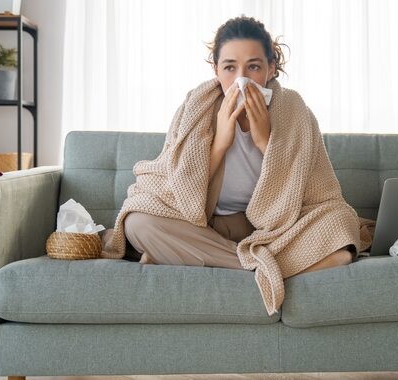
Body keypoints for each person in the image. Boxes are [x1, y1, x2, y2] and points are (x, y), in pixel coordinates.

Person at [102, 16, 365, 315]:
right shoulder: (196, 106)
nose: (242, 78)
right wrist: (221, 143)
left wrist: (267, 141)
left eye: (253, 67)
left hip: (274, 229)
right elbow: (181, 191)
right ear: (215, 70)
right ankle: (269, 267)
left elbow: (313, 192)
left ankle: (206, 260)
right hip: (207, 224)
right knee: (139, 223)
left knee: (342, 222)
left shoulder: (293, 110)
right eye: (230, 67)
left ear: (271, 68)